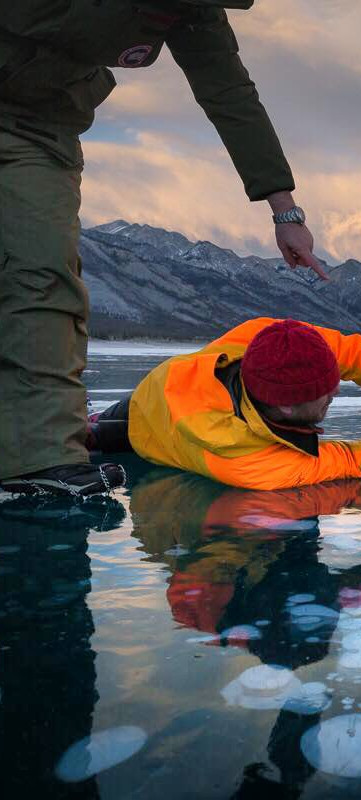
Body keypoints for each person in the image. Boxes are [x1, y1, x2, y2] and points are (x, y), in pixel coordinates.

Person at [0, 0, 326, 497]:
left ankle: (41, 462)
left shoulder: (193, 12)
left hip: (35, 126)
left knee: (43, 279)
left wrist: (284, 209)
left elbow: (230, 93)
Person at [11, 317, 361, 493]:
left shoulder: (274, 340)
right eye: (324, 393)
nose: (336, 390)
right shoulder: (245, 458)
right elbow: (345, 462)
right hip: (153, 429)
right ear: (288, 407)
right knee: (92, 438)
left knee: (113, 419)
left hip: (162, 383)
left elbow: (358, 355)